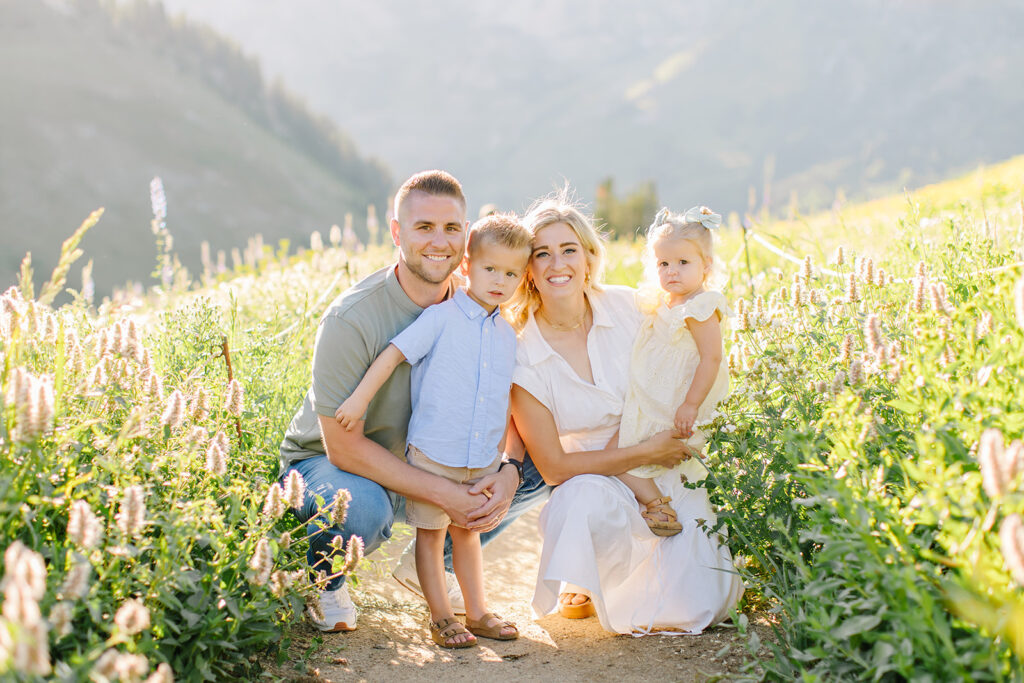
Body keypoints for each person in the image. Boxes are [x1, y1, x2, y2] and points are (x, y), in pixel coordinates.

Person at [279, 171, 549, 633]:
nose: (438, 241)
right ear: (397, 232)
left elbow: (501, 401)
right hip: (335, 463)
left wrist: (507, 471)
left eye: (451, 228)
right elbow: (343, 446)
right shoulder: (353, 318)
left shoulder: (483, 312)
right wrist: (445, 494)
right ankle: (325, 583)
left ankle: (434, 565)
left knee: (537, 466)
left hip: (432, 459)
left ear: (466, 240)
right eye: (424, 227)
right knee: (360, 508)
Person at [507, 194, 743, 634]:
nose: (558, 264)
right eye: (543, 254)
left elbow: (689, 347)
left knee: (700, 601)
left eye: (569, 250)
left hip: (663, 458)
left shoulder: (630, 306)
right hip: (592, 476)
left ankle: (619, 573)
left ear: (589, 257)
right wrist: (639, 452)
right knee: (581, 500)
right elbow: (555, 467)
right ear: (529, 271)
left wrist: (690, 417)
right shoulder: (522, 354)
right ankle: (584, 574)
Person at [334, 214, 530, 648]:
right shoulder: (442, 318)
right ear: (467, 265)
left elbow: (505, 399)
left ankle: (477, 612)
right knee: (432, 535)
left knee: (469, 535)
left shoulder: (507, 335)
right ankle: (440, 616)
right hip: (433, 454)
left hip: (479, 457)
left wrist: (501, 461)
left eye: (511, 273)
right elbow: (394, 354)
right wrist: (359, 400)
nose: (500, 280)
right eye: (490, 269)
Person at [615, 206, 733, 537]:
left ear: (705, 266)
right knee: (621, 454)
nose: (672, 271)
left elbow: (711, 358)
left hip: (677, 400)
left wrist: (691, 404)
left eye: (683, 263)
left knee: (624, 456)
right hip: (654, 394)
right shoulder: (668, 300)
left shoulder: (701, 307)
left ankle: (658, 505)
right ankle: (655, 503)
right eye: (664, 264)